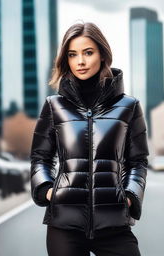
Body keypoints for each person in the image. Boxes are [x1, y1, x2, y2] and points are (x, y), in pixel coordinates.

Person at [30, 22, 149, 256]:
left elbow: (138, 161)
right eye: (73, 55)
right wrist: (46, 189)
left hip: (114, 223)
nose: (80, 62)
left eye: (88, 52)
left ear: (103, 55)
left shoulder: (129, 106)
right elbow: (40, 157)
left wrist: (129, 196)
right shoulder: (54, 106)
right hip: (64, 224)